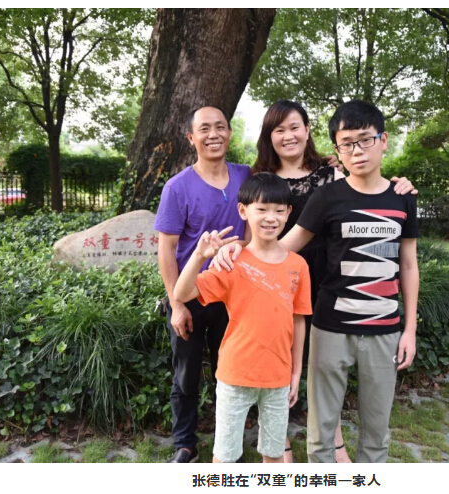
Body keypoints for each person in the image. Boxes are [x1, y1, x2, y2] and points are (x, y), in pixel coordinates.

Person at [214, 100, 419, 462]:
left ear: (383, 140)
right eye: (347, 144)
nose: (357, 150)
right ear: (337, 149)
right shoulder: (326, 196)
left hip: (384, 327)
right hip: (330, 322)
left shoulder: (402, 199)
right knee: (321, 432)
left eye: (365, 140)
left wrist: (410, 329)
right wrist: (237, 250)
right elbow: (283, 245)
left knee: (377, 432)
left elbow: (409, 265)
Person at [174, 173, 312, 463]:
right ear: (243, 211)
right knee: (224, 458)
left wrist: (296, 371)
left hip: (278, 377)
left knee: (274, 454)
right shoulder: (231, 262)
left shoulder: (298, 265)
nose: (271, 217)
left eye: (279, 210)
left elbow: (299, 319)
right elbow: (182, 292)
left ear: (289, 212)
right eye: (261, 209)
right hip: (235, 375)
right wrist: (199, 257)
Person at [154, 106, 251, 463]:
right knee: (186, 375)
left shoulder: (246, 176)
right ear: (191, 138)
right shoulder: (177, 187)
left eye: (220, 127)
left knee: (232, 372)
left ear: (229, 133)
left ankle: (229, 444)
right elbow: (166, 250)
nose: (214, 134)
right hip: (191, 295)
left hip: (233, 296)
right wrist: (176, 305)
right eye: (205, 129)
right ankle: (186, 444)